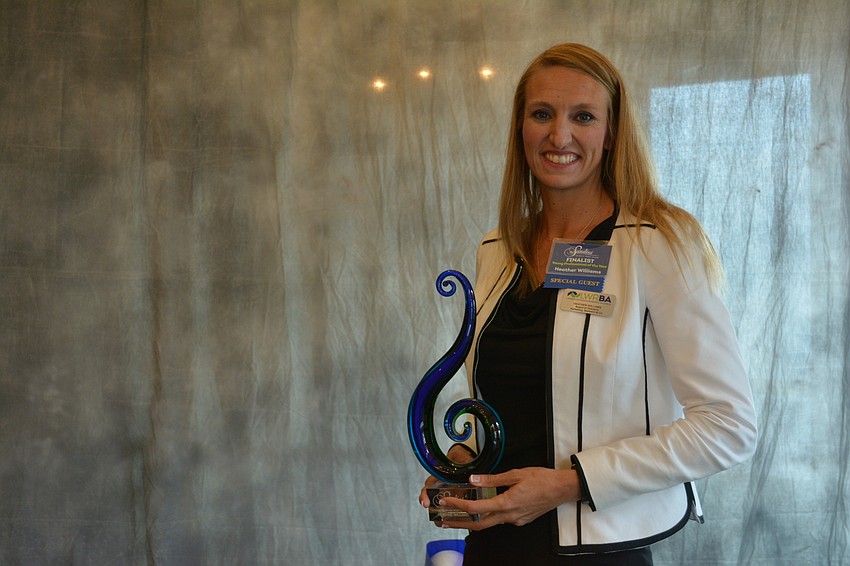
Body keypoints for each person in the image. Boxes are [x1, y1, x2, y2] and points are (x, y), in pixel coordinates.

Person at [417, 43, 758, 565]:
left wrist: (570, 483)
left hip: (601, 551)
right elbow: (521, 401)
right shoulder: (497, 250)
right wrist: (464, 463)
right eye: (542, 114)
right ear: (520, 128)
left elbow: (728, 425)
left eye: (583, 116)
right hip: (494, 545)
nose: (559, 136)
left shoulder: (657, 244)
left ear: (612, 132)